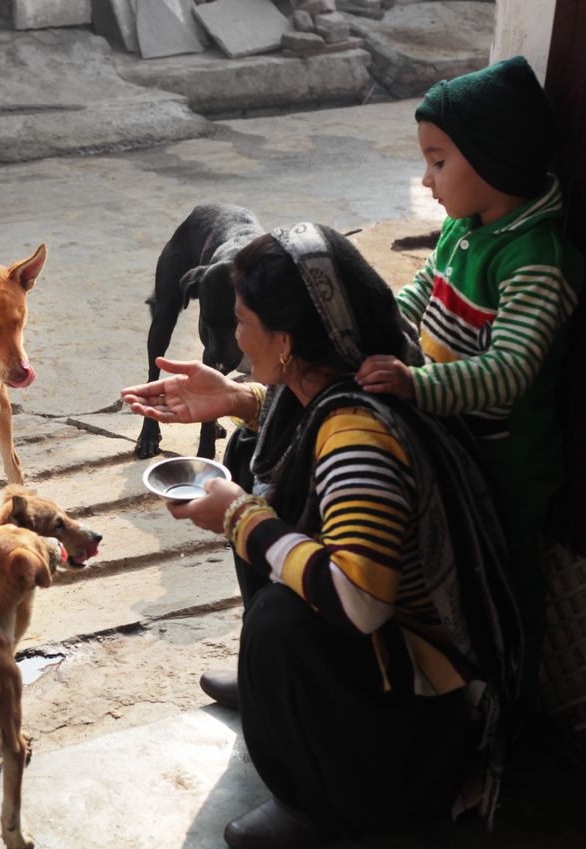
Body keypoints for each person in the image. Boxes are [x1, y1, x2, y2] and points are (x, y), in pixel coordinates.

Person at [122, 224, 520, 848]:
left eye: (243, 321)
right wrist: (235, 399)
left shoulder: (358, 436)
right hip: (391, 668)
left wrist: (239, 518)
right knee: (250, 454)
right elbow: (291, 421)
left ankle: (324, 804)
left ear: (285, 342)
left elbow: (361, 603)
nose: (234, 338)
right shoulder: (340, 379)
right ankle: (272, 692)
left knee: (280, 619)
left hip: (421, 724)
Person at [354, 56, 584, 696]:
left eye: (438, 161)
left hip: (506, 466)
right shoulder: (463, 228)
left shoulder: (537, 260)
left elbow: (510, 370)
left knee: (505, 580)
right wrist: (376, 326)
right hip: (454, 438)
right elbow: (422, 293)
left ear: (492, 160)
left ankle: (510, 696)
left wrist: (416, 384)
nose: (426, 180)